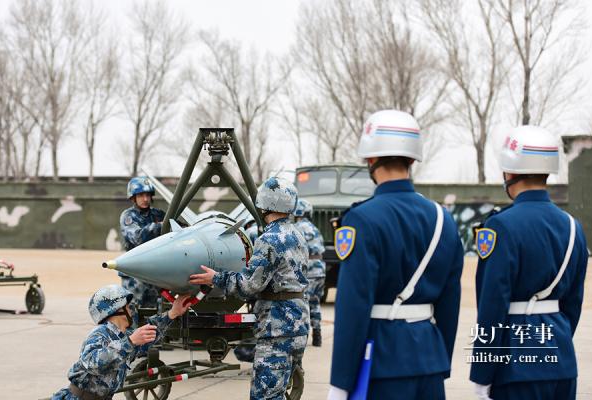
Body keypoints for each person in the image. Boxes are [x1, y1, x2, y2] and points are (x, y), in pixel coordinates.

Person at [328, 110, 463, 400]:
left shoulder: (361, 219)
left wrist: (341, 381)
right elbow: (450, 303)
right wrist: (440, 358)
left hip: (381, 364)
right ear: (413, 159)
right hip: (429, 362)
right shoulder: (444, 219)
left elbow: (354, 305)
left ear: (370, 159)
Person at [469, 125, 589, 400]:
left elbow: (492, 304)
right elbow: (573, 303)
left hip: (515, 367)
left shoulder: (500, 226)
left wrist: (482, 372)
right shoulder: (573, 227)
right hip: (561, 361)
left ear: (509, 172)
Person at [188, 176, 310, 400]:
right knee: (282, 392)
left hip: (277, 328)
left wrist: (216, 278)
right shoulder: (299, 236)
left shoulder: (269, 239)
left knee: (265, 396)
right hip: (299, 324)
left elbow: (247, 285)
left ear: (265, 204)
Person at [52, 284, 191, 400]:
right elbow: (95, 364)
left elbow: (149, 332)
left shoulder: (122, 337)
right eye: (128, 306)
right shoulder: (100, 334)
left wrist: (173, 313)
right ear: (118, 309)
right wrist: (130, 343)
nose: (132, 310)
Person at [119, 176, 166, 308]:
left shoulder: (158, 214)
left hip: (155, 274)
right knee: (133, 313)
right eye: (141, 195)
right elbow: (137, 238)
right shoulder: (128, 216)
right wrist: (160, 226)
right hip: (135, 276)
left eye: (147, 195)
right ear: (133, 197)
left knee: (156, 314)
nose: (145, 199)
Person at [293, 198, 326, 347]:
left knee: (303, 303)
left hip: (309, 270)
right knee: (315, 303)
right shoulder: (315, 228)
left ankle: (303, 338)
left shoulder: (297, 228)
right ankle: (317, 334)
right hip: (320, 270)